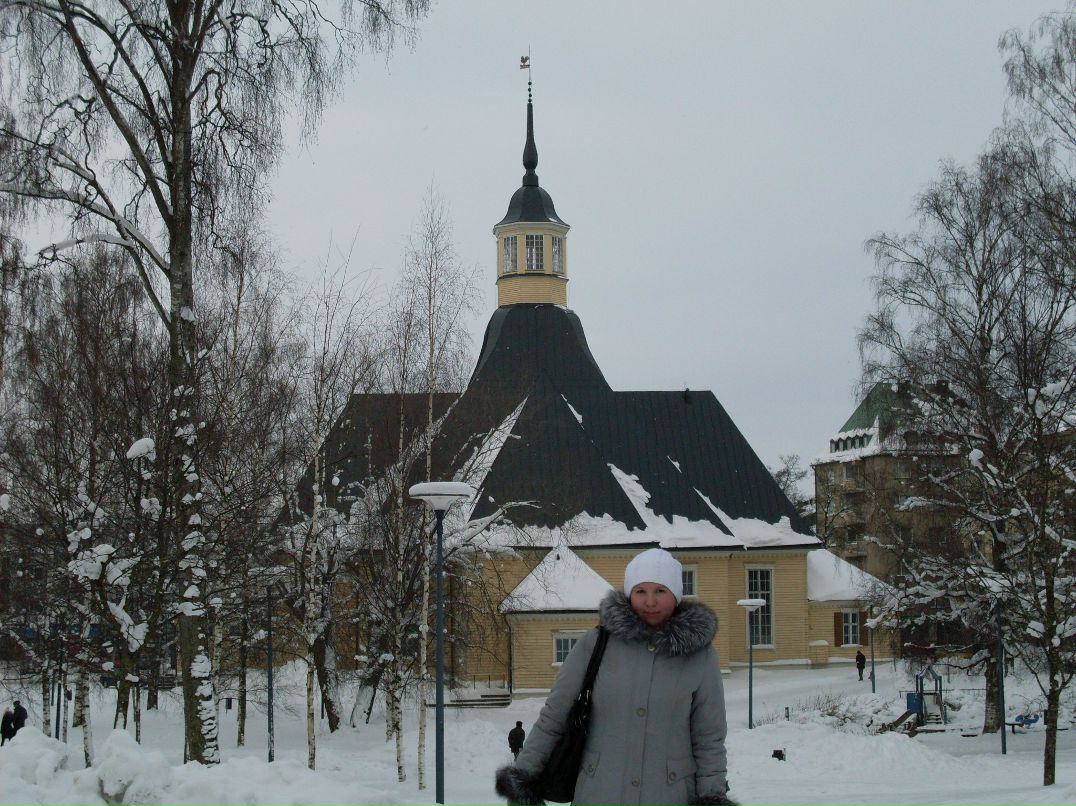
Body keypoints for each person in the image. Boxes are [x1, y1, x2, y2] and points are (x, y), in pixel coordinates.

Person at [495, 548, 734, 806]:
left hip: (669, 795)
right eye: (641, 591)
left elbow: (709, 738)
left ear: (675, 595)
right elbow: (554, 715)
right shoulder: (596, 644)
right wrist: (523, 779)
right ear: (629, 593)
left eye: (660, 591)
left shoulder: (700, 656)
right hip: (598, 793)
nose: (650, 602)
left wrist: (712, 797)